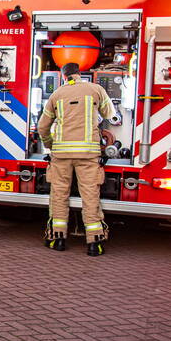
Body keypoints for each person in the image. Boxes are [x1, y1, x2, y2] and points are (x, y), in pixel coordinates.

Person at [37, 61, 115, 256]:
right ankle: (94, 244)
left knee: (59, 196)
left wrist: (49, 144)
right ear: (80, 74)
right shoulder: (96, 89)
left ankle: (58, 240)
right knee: (90, 197)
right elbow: (110, 114)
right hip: (88, 155)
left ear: (64, 76)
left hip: (61, 155)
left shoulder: (57, 94)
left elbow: (42, 127)